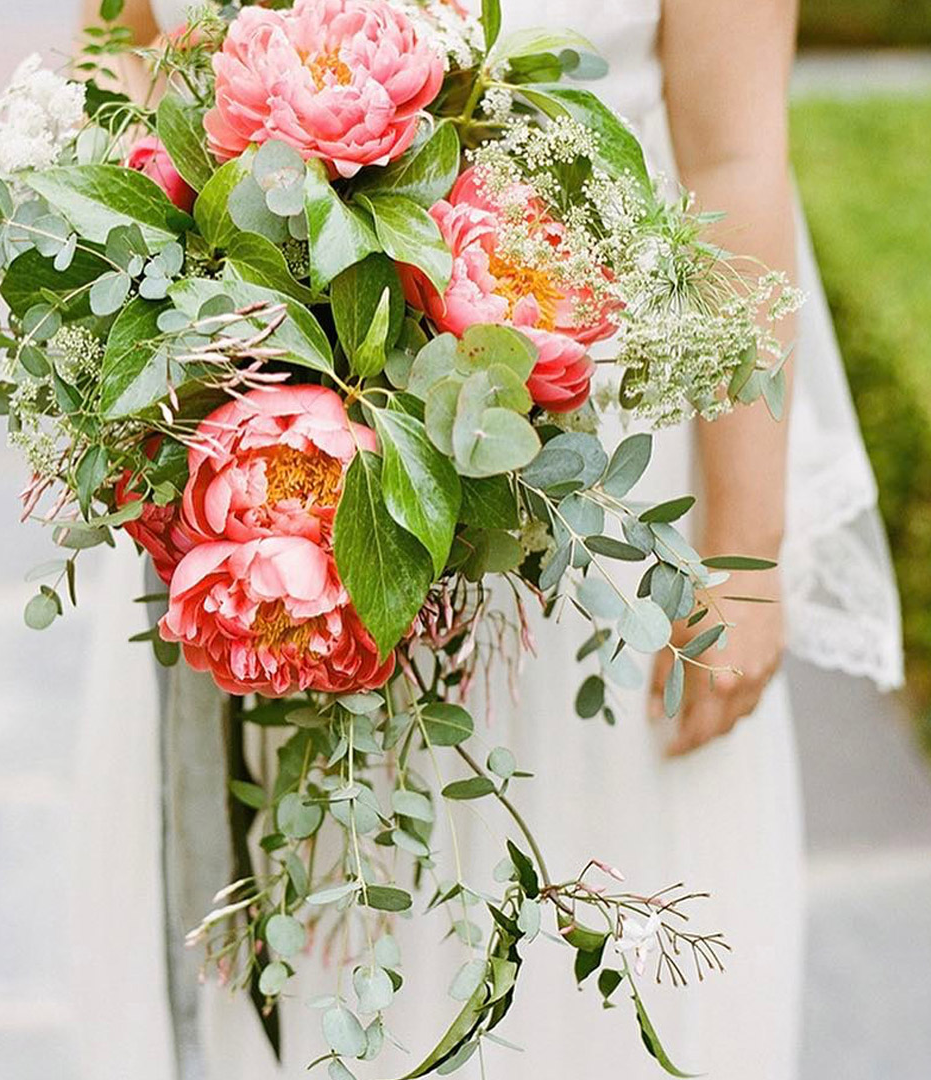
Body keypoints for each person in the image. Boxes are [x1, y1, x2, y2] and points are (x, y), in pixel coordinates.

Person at [73, 1, 904, 1078]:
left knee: (563, 964)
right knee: (282, 938)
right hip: (250, 498)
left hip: (570, 520)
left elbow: (737, 155)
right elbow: (133, 45)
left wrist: (748, 554)